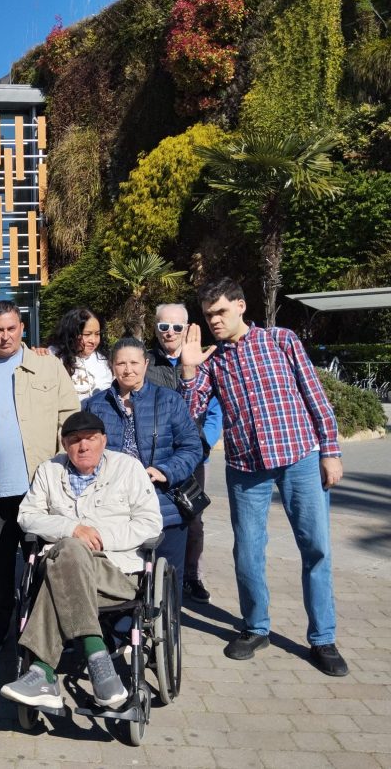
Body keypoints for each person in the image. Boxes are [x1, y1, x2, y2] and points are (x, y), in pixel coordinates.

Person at [181, 278, 348, 677]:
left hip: (300, 458)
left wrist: (331, 452)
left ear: (240, 306)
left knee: (316, 548)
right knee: (248, 552)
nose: (214, 321)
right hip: (245, 467)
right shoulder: (213, 361)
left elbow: (314, 396)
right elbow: (190, 416)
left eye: (220, 311)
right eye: (208, 315)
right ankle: (256, 627)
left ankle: (322, 638)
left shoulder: (281, 340)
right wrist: (189, 370)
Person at [0, 412, 162, 710]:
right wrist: (71, 529)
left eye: (90, 439)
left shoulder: (129, 468)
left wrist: (99, 536)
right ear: (64, 444)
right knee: (70, 550)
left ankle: (42, 673)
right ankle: (98, 659)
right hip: (65, 566)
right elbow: (26, 516)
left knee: (62, 563)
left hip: (115, 573)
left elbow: (150, 524)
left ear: (104, 440)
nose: (83, 446)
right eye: (74, 440)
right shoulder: (49, 471)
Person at [0, 299, 80, 655]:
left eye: (11, 328)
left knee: (44, 560)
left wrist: (68, 473)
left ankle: (51, 630)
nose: (5, 336)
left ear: (22, 328)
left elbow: (69, 417)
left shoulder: (47, 365)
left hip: (42, 487)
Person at [82, 338, 203, 590]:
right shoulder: (96, 405)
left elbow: (192, 447)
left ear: (146, 364)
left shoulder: (168, 401)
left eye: (135, 362)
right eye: (121, 363)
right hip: (114, 509)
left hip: (164, 504)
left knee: (168, 584)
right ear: (112, 367)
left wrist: (165, 471)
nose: (128, 369)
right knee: (118, 582)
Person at [149, 303, 223, 604]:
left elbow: (215, 409)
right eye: (164, 326)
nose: (170, 333)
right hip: (155, 456)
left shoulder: (205, 361)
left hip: (192, 457)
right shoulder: (146, 362)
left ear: (187, 327)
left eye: (177, 327)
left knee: (192, 517)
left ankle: (191, 576)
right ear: (155, 327)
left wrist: (203, 444)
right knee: (154, 516)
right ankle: (151, 574)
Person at [48, 307, 112, 401]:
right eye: (87, 334)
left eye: (97, 334)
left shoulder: (104, 362)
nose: (93, 340)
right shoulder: (52, 357)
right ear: (72, 334)